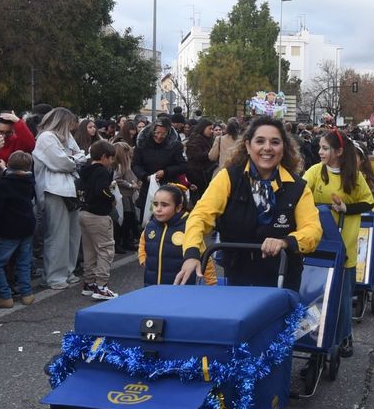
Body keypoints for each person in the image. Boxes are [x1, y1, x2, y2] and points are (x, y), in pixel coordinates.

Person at [175, 115, 321, 289]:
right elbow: (200, 216)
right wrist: (192, 254)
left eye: (275, 142)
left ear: (284, 148)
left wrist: (285, 242)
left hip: (283, 280)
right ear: (248, 146)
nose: (267, 147)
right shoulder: (228, 178)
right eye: (260, 141)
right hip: (238, 280)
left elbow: (313, 230)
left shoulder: (297, 187)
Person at [303, 129, 374, 323]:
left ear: (339, 152)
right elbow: (300, 193)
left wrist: (346, 208)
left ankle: (343, 334)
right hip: (317, 242)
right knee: (315, 294)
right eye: (320, 148)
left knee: (343, 297)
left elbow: (368, 202)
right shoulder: (316, 171)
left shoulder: (354, 176)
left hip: (344, 245)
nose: (320, 152)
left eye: (325, 148)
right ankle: (316, 333)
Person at [34, 107, 86, 289]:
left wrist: (72, 159)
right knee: (58, 235)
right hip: (54, 190)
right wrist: (73, 160)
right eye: (70, 123)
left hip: (70, 189)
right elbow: (62, 163)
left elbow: (78, 156)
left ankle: (68, 272)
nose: (73, 127)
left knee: (73, 234)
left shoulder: (66, 137)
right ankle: (54, 276)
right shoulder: (46, 137)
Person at [0, 150, 38, 308]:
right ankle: (26, 293)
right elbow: (17, 175)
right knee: (24, 262)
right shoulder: (30, 181)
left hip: (9, 229)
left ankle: (4, 296)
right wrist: (4, 168)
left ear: (9, 165)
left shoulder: (4, 184)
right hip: (27, 227)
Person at [79, 140, 120, 300]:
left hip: (84, 212)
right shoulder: (102, 172)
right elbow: (102, 190)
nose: (111, 161)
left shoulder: (85, 170)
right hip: (98, 215)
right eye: (110, 158)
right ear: (104, 157)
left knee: (89, 250)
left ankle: (89, 283)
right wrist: (111, 197)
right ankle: (101, 286)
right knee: (105, 250)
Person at [142, 184, 200, 286]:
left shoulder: (189, 227)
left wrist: (212, 284)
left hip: (180, 289)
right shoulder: (150, 225)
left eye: (164, 205)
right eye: (155, 204)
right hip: (152, 287)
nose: (158, 209)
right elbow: (142, 243)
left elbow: (204, 258)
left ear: (178, 207)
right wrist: (143, 260)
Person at [133, 117, 189, 222]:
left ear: (168, 133)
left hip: (169, 187)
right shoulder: (142, 143)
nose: (159, 136)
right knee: (148, 217)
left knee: (167, 217)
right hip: (148, 186)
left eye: (163, 134)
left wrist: (166, 172)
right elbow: (135, 165)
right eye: (157, 133)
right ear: (152, 130)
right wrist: (145, 176)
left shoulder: (175, 145)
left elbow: (183, 166)